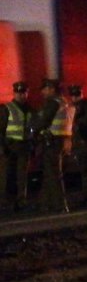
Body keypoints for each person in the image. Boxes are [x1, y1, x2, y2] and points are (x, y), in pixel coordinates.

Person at [32, 78, 74, 213]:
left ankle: (60, 205)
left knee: (54, 174)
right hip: (63, 140)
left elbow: (43, 121)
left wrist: (32, 128)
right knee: (50, 173)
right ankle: (44, 203)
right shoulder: (66, 102)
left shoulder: (52, 103)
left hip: (53, 141)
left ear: (51, 89)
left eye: (44, 89)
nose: (42, 92)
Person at [1, 81, 35, 213]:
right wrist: (2, 147)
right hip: (9, 146)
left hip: (24, 146)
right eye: (19, 93)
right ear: (14, 93)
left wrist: (33, 144)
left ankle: (21, 202)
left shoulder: (30, 110)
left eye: (24, 93)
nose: (21, 95)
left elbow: (33, 129)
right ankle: (4, 203)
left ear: (27, 93)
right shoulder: (6, 108)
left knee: (22, 176)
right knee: (5, 176)